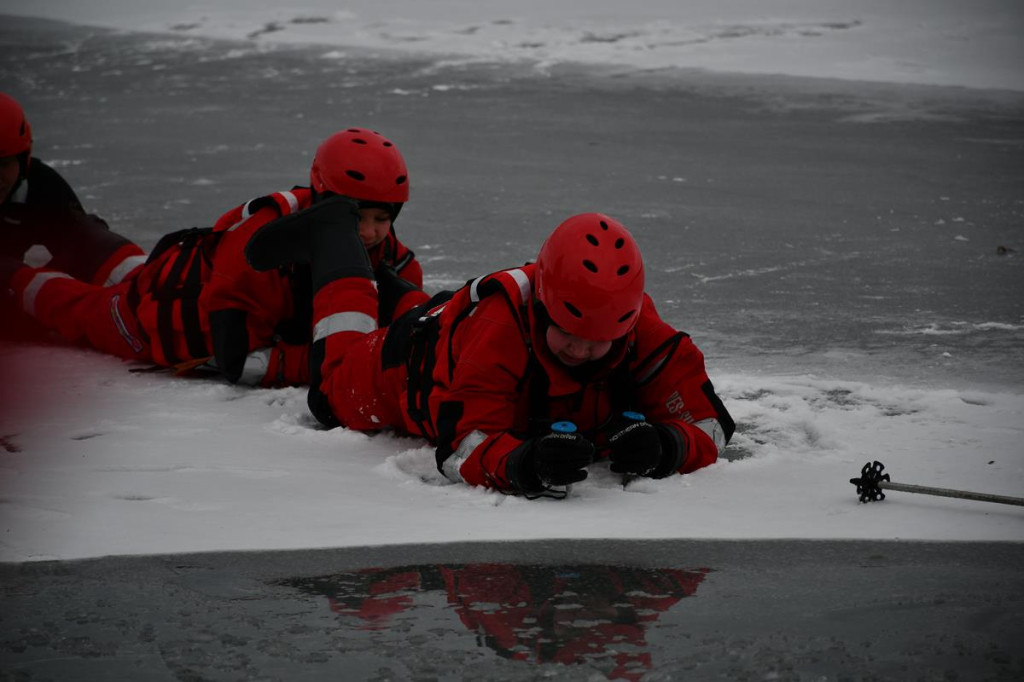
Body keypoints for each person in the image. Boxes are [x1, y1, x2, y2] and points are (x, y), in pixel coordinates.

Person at [245, 203, 734, 495]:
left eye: (598, 342)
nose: (583, 351)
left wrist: (668, 446)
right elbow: (462, 444)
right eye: (568, 334)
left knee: (428, 311)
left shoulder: (639, 328)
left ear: (626, 323)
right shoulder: (501, 330)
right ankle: (334, 239)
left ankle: (392, 287)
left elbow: (708, 422)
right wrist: (523, 464)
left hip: (452, 323)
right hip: (401, 365)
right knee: (327, 391)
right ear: (542, 305)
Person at [1, 128, 428, 387]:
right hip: (154, 320)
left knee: (130, 271)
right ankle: (11, 276)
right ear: (326, 202)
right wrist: (305, 361)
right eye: (358, 217)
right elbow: (239, 359)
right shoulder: (262, 245)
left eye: (382, 218)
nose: (370, 233)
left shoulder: (395, 263)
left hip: (176, 276)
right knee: (73, 306)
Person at [1, 92, 146, 340]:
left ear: (24, 160)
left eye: (1, 164)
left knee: (91, 242)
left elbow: (84, 245)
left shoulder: (40, 185)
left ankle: (165, 284)